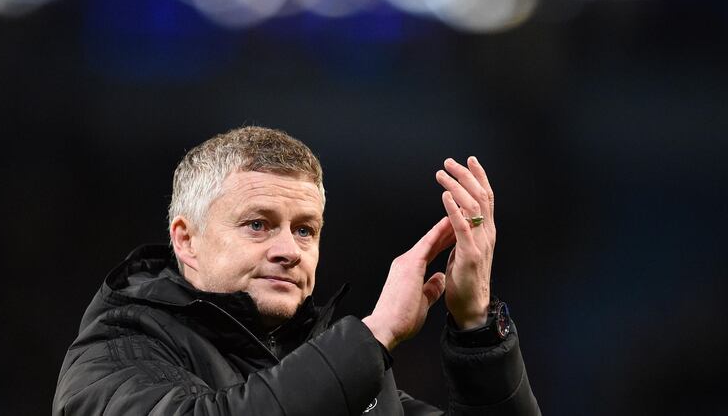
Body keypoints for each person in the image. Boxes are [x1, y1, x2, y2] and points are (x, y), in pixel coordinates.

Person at [53, 126, 541, 415]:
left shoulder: (346, 373)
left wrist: (476, 328)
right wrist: (375, 335)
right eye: (259, 224)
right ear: (187, 240)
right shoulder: (114, 355)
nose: (290, 249)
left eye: (306, 230)